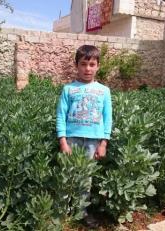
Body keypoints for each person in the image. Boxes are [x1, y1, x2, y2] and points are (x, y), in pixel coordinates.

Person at [56, 44, 113, 228]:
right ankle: (62, 212)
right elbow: (61, 116)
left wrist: (103, 143)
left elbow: (107, 118)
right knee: (67, 175)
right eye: (83, 64)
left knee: (85, 178)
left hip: (92, 141)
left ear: (98, 66)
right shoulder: (68, 89)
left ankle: (81, 211)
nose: (87, 69)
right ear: (76, 65)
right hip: (71, 140)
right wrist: (63, 142)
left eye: (92, 64)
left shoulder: (104, 91)